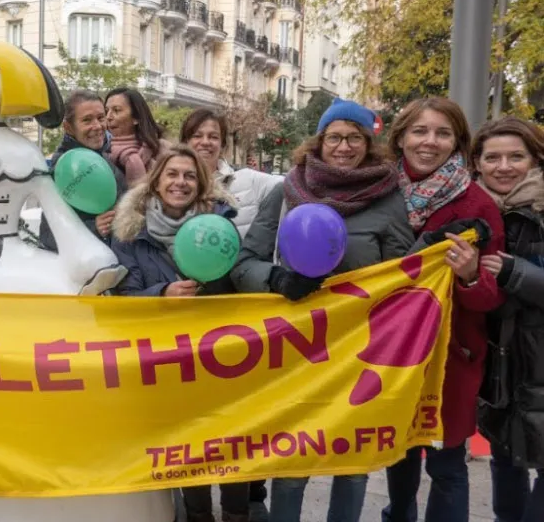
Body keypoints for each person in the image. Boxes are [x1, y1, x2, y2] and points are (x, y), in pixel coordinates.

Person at [231, 98, 414, 522]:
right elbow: (245, 264)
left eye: (355, 138)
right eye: (335, 137)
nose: (344, 147)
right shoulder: (286, 192)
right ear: (319, 140)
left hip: (359, 355)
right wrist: (276, 279)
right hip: (295, 352)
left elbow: (406, 274)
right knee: (293, 463)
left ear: (370, 144)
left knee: (351, 468)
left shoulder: (388, 199)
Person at [382, 97, 506, 522]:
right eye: (419, 131)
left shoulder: (477, 205)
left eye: (442, 133)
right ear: (401, 137)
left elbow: (491, 297)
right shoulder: (379, 192)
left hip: (451, 355)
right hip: (389, 351)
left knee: (446, 464)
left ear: (457, 142)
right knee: (398, 455)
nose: (429, 142)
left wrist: (471, 275)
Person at [110, 146, 248, 522]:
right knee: (188, 448)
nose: (180, 182)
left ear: (200, 184)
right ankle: (198, 515)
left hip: (219, 358)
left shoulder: (220, 226)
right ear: (156, 183)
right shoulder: (129, 233)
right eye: (172, 174)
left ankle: (238, 515)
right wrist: (162, 295)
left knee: (230, 445)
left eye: (189, 176)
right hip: (166, 364)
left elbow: (240, 283)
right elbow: (122, 300)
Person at [472, 117, 544, 522]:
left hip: (540, 361)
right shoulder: (474, 216)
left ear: (535, 159)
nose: (504, 167)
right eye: (492, 157)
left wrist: (514, 273)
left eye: (516, 156)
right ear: (477, 163)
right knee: (506, 459)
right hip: (499, 365)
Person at [39, 90, 129, 252]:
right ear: (68, 127)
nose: (97, 126)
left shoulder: (104, 156)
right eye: (87, 120)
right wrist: (94, 227)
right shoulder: (62, 170)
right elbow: (48, 236)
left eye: (101, 118)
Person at [182, 108, 281, 238]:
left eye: (213, 137)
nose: (205, 142)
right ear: (185, 142)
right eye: (197, 136)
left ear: (222, 144)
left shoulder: (248, 180)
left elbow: (290, 184)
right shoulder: (174, 186)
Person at [104, 87, 173, 184]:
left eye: (116, 110)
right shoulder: (102, 151)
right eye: (106, 111)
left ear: (136, 118)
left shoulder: (164, 150)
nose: (108, 117)